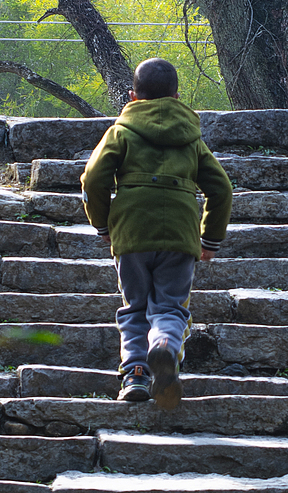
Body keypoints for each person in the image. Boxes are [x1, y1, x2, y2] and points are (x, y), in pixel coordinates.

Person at [80, 58, 233, 409]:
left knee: (134, 308)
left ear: (133, 97)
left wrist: (102, 224)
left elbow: (92, 179)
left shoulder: (121, 131)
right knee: (169, 307)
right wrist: (210, 238)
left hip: (132, 231)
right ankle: (163, 343)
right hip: (179, 232)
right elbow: (221, 189)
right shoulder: (191, 138)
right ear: (177, 97)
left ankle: (134, 374)